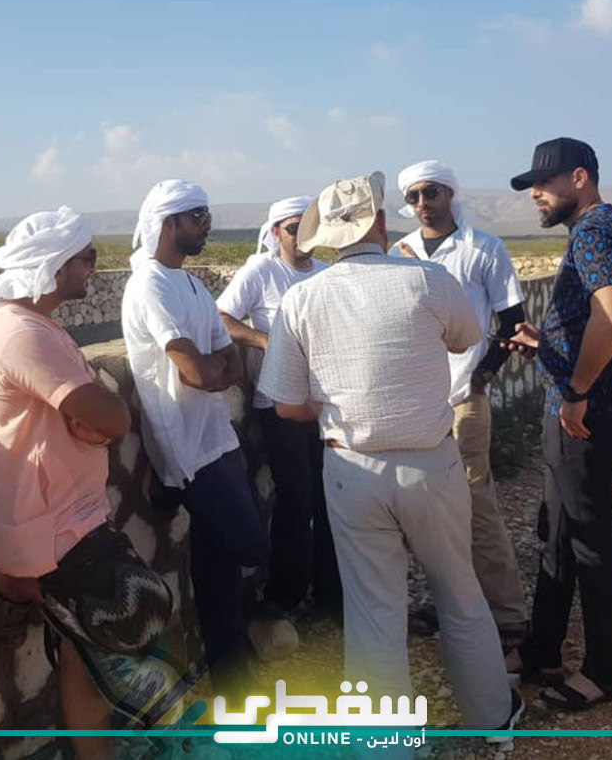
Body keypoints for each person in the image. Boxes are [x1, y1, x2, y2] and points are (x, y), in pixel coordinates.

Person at [259, 172, 523, 757]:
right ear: (380, 222)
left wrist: (339, 408)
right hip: (432, 465)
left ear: (328, 235)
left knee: (374, 612)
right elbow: (466, 339)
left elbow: (286, 405)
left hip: (351, 470)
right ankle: (493, 718)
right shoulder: (428, 279)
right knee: (459, 591)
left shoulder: (302, 298)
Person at [0, 207, 175, 759]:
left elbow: (93, 416)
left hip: (64, 522)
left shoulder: (34, 328)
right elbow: (111, 418)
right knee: (132, 623)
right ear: (55, 265)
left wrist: (90, 419)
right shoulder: (22, 335)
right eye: (86, 258)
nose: (93, 267)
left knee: (86, 662)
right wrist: (96, 421)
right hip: (53, 532)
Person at [505, 138, 612, 711]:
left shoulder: (593, 232)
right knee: (560, 532)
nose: (535, 194)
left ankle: (607, 671)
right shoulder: (605, 228)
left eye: (544, 183)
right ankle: (542, 648)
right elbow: (596, 317)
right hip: (588, 409)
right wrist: (549, 345)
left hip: (588, 415)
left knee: (590, 543)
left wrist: (576, 391)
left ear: (580, 179)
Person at [121, 179, 271, 702]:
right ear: (169, 224)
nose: (207, 226)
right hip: (184, 448)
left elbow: (225, 359)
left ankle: (230, 677)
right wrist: (214, 370)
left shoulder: (188, 284)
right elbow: (199, 372)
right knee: (249, 543)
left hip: (214, 435)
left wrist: (215, 369)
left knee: (218, 562)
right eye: (198, 217)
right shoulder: (150, 285)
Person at [391, 160, 531, 667]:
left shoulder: (483, 249)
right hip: (416, 400)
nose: (422, 204)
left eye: (431, 193)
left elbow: (512, 321)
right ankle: (452, 604)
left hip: (462, 396)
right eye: (413, 196)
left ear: (450, 194)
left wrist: (483, 375)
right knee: (429, 507)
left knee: (475, 501)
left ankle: (508, 614)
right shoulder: (398, 254)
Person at [216, 195, 341, 655]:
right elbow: (222, 316)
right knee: (297, 497)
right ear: (274, 233)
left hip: (323, 402)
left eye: (309, 226)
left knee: (330, 497)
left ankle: (330, 592)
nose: (301, 235)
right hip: (278, 402)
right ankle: (284, 594)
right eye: (293, 227)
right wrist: (264, 340)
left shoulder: (327, 273)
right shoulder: (260, 271)